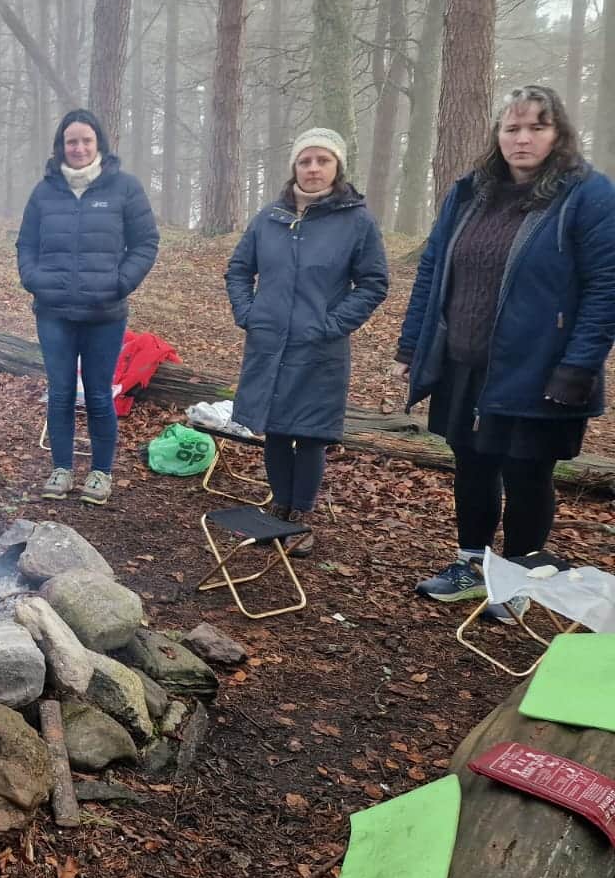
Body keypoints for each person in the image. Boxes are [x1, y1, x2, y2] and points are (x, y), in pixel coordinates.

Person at [396, 85, 615, 617]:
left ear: (558, 133)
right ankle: (471, 566)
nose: (523, 138)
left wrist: (579, 365)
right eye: (512, 128)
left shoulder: (587, 195)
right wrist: (412, 343)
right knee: (472, 465)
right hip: (465, 363)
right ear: (498, 135)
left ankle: (519, 581)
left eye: (537, 127)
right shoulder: (472, 192)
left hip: (540, 369)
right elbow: (433, 271)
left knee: (526, 473)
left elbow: (606, 287)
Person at [225, 127, 388, 553]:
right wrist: (249, 314)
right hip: (269, 343)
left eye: (323, 160)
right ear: (294, 167)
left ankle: (300, 518)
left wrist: (332, 325)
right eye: (305, 161)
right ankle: (278, 509)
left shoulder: (356, 220)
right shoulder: (269, 218)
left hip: (320, 347)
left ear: (337, 166)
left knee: (311, 433)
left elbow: (373, 283)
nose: (313, 168)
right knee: (276, 429)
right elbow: (239, 270)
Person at [17, 108, 159, 505]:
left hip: (104, 314)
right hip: (54, 313)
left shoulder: (124, 188)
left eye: (86, 141)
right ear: (61, 146)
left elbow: (146, 242)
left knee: (98, 395)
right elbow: (26, 244)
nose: (78, 148)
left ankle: (100, 473)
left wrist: (120, 283)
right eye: (71, 141)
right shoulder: (44, 192)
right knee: (60, 393)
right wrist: (35, 279)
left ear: (99, 144)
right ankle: (61, 469)